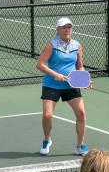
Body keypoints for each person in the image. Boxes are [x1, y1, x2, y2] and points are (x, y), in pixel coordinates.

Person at [36, 17, 88, 157]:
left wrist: (84, 80)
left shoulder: (77, 45)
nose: (67, 30)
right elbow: (40, 64)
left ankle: (80, 146)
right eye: (64, 27)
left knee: (81, 114)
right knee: (47, 115)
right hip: (51, 85)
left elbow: (80, 66)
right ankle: (47, 140)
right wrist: (55, 74)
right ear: (57, 30)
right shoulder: (51, 45)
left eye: (69, 27)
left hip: (71, 85)